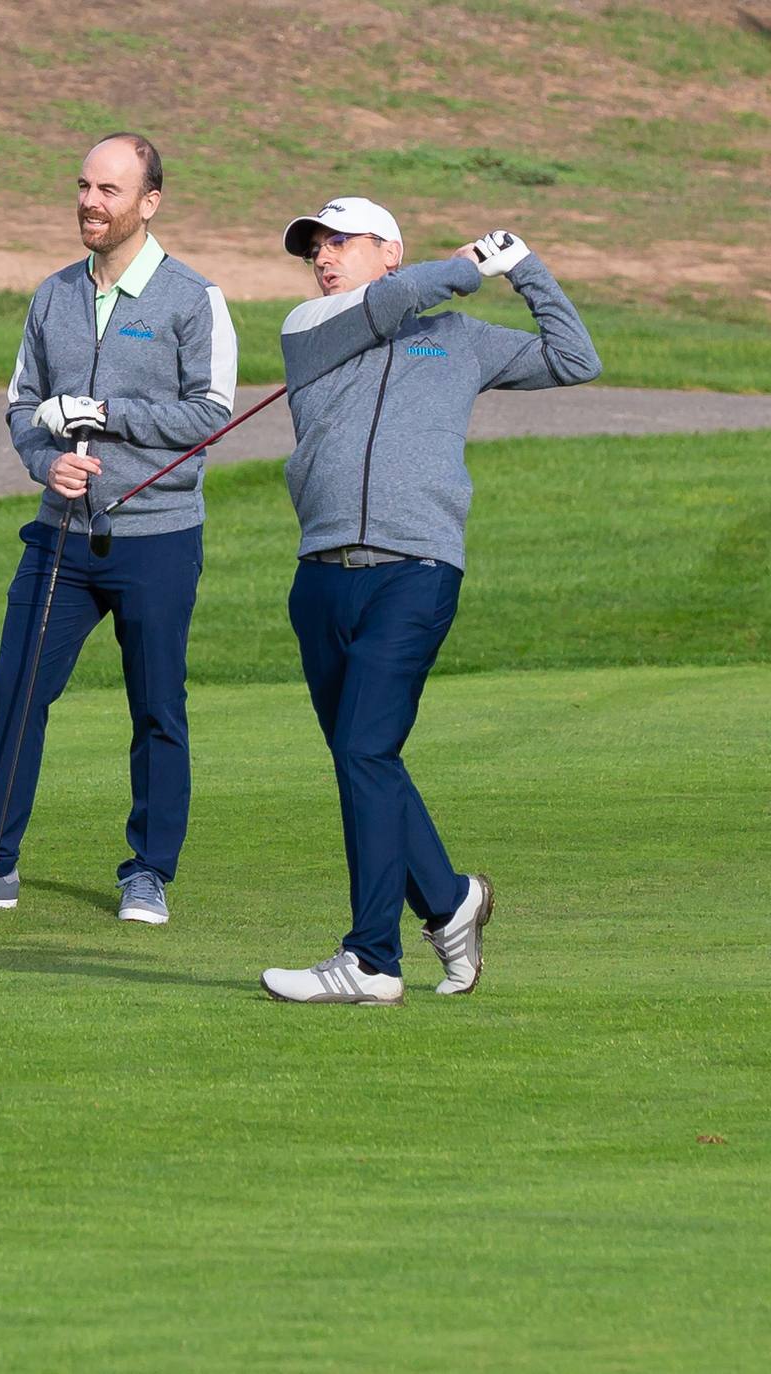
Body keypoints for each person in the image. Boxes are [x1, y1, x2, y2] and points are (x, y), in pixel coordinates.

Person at [256, 197, 601, 1004]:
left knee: (365, 752)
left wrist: (524, 269)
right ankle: (451, 903)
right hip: (322, 574)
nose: (324, 256)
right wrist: (464, 268)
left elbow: (574, 358)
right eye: (315, 245)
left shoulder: (460, 339)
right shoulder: (311, 326)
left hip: (417, 570)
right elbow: (391, 303)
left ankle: (372, 959)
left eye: (342, 242)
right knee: (361, 755)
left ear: (389, 250)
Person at [0, 133, 235, 926]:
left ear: (149, 202)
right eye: (84, 185)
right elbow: (22, 404)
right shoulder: (52, 296)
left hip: (156, 536)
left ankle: (149, 872)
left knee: (156, 707)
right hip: (62, 536)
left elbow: (210, 416)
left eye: (110, 190)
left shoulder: (193, 298)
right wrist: (44, 462)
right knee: (18, 692)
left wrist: (108, 417)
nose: (90, 201)